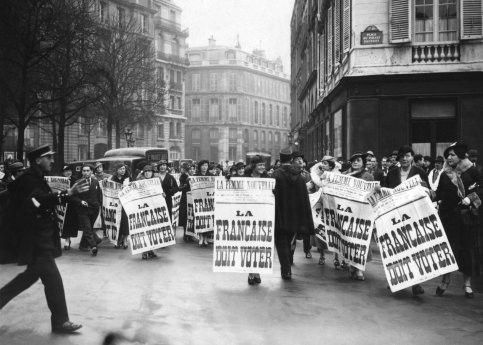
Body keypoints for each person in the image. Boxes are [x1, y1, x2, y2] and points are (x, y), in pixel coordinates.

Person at [0, 145, 87, 334]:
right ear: (38, 160)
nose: (52, 160)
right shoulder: (30, 179)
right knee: (51, 278)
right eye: (48, 157)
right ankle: (60, 322)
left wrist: (66, 196)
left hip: (39, 237)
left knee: (31, 278)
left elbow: (43, 199)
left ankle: (60, 322)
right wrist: (67, 193)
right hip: (36, 239)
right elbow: (38, 201)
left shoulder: (35, 177)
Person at [434, 142, 481, 298]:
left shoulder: (472, 171)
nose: (449, 157)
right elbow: (438, 194)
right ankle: (445, 280)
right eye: (448, 154)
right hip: (448, 218)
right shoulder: (444, 174)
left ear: (461, 156)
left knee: (467, 250)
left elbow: (481, 189)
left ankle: (467, 284)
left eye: (453, 154)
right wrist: (428, 193)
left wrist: (471, 197)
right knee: (448, 250)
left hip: (466, 218)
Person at [384, 145, 428, 296]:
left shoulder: (419, 172)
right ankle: (397, 280)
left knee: (414, 248)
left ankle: (416, 283)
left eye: (407, 155)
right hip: (395, 216)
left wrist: (424, 189)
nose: (404, 158)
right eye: (402, 156)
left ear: (412, 157)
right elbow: (385, 191)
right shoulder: (392, 173)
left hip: (413, 215)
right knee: (397, 248)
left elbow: (428, 192)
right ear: (399, 158)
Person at [272, 150, 315, 280]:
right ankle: (289, 261)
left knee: (281, 242)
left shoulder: (275, 175)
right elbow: (304, 199)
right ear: (291, 160)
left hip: (279, 214)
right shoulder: (299, 176)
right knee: (290, 239)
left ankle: (286, 270)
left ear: (280, 160)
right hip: (295, 216)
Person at [343, 153, 374, 280]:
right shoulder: (345, 175)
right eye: (353, 161)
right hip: (349, 212)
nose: (355, 163)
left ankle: (360, 268)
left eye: (358, 160)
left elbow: (372, 193)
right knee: (350, 239)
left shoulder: (368, 176)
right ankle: (352, 264)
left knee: (362, 240)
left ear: (363, 163)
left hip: (363, 212)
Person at [71, 164, 102, 256]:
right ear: (82, 172)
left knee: (89, 228)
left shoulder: (95, 182)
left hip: (94, 209)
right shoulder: (77, 182)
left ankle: (83, 245)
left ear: (91, 172)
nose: (86, 172)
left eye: (88, 171)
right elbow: (73, 196)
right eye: (84, 171)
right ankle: (93, 246)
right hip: (83, 209)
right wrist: (80, 202)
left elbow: (99, 194)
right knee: (87, 228)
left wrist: (99, 204)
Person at [247, 155, 269, 285]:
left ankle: (257, 271)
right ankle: (251, 273)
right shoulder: (245, 177)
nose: (262, 167)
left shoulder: (267, 178)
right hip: (248, 216)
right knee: (250, 245)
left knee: (260, 245)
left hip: (263, 215)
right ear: (253, 166)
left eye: (263, 165)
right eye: (260, 165)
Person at [291, 151, 312, 260]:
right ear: (292, 162)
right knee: (293, 231)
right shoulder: (289, 174)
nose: (300, 161)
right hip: (293, 206)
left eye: (301, 159)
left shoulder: (306, 174)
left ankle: (307, 250)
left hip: (304, 205)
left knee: (306, 230)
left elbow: (311, 188)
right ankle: (291, 252)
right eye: (297, 159)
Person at [136, 165, 158, 260]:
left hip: (153, 209)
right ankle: (144, 251)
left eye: (149, 171)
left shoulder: (156, 181)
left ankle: (151, 250)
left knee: (152, 230)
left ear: (152, 172)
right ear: (143, 173)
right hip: (143, 209)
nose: (148, 173)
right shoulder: (139, 182)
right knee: (144, 230)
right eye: (146, 171)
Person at [110, 163, 130, 249]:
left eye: (124, 169)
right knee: (116, 221)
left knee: (125, 222)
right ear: (117, 170)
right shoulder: (112, 178)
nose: (123, 170)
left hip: (125, 204)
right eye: (121, 169)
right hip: (116, 203)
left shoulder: (128, 178)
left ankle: (125, 240)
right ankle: (117, 240)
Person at [60, 166, 79, 250]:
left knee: (69, 223)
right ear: (63, 173)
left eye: (69, 170)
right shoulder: (59, 180)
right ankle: (63, 239)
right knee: (62, 223)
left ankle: (68, 240)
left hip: (71, 205)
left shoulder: (75, 180)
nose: (68, 172)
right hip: (62, 204)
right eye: (66, 171)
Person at [195, 160, 212, 247]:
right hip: (199, 201)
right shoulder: (195, 176)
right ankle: (201, 236)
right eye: (203, 165)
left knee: (208, 219)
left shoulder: (211, 176)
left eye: (206, 165)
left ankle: (206, 237)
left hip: (209, 201)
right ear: (200, 166)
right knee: (200, 219)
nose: (205, 167)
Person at [178, 163, 192, 242]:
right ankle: (186, 234)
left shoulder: (187, 175)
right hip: (185, 196)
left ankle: (188, 233)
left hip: (188, 196)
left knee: (188, 215)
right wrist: (186, 185)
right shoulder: (184, 176)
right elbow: (180, 187)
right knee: (185, 215)